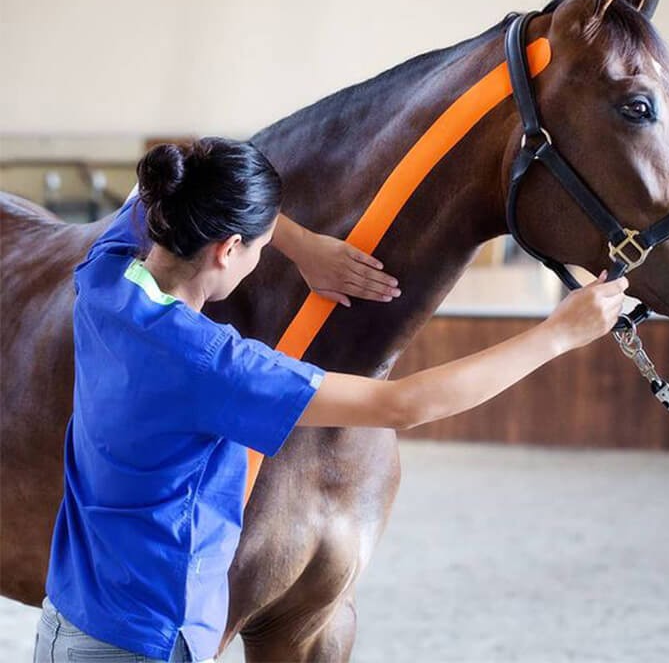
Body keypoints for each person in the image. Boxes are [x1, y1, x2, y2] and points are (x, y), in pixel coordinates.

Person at [35, 137, 627, 663]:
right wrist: (558, 334)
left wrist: (300, 245)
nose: (263, 257)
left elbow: (152, 191)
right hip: (148, 640)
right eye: (261, 247)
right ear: (227, 249)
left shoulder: (103, 279)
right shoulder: (210, 364)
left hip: (66, 621)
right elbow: (402, 405)